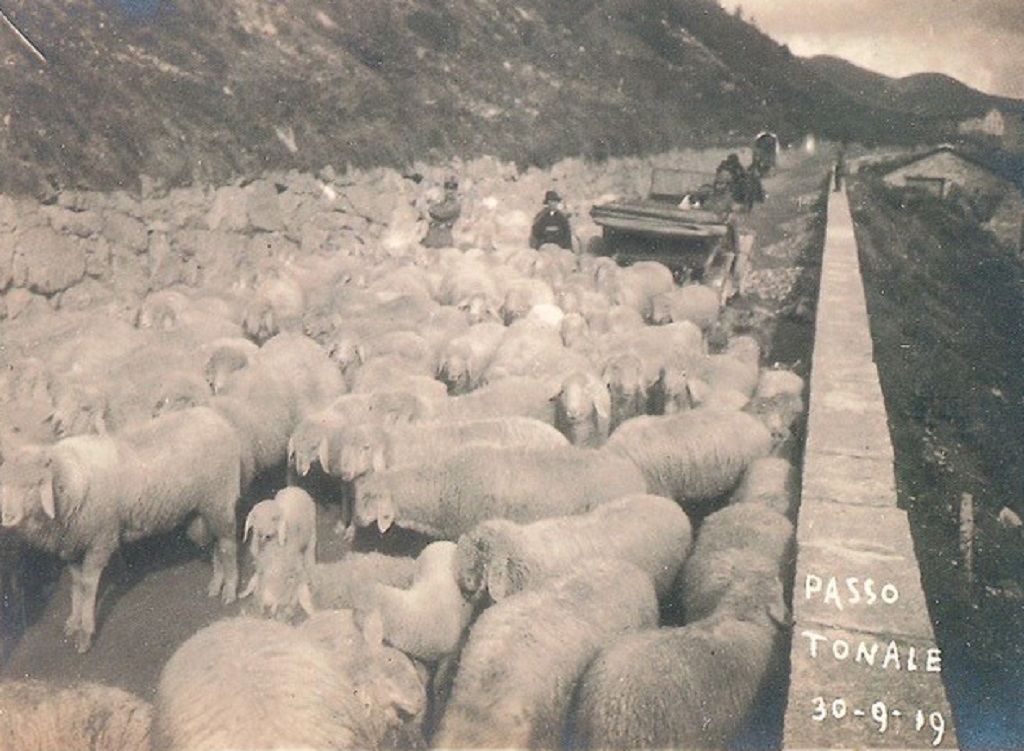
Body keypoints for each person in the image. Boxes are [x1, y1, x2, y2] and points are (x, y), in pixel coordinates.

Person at [421, 176, 462, 248]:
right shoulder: (442, 202)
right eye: (448, 188)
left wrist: (429, 208)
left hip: (444, 240)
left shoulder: (456, 205)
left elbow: (441, 213)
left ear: (456, 190)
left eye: (453, 189)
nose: (450, 191)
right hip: (433, 238)